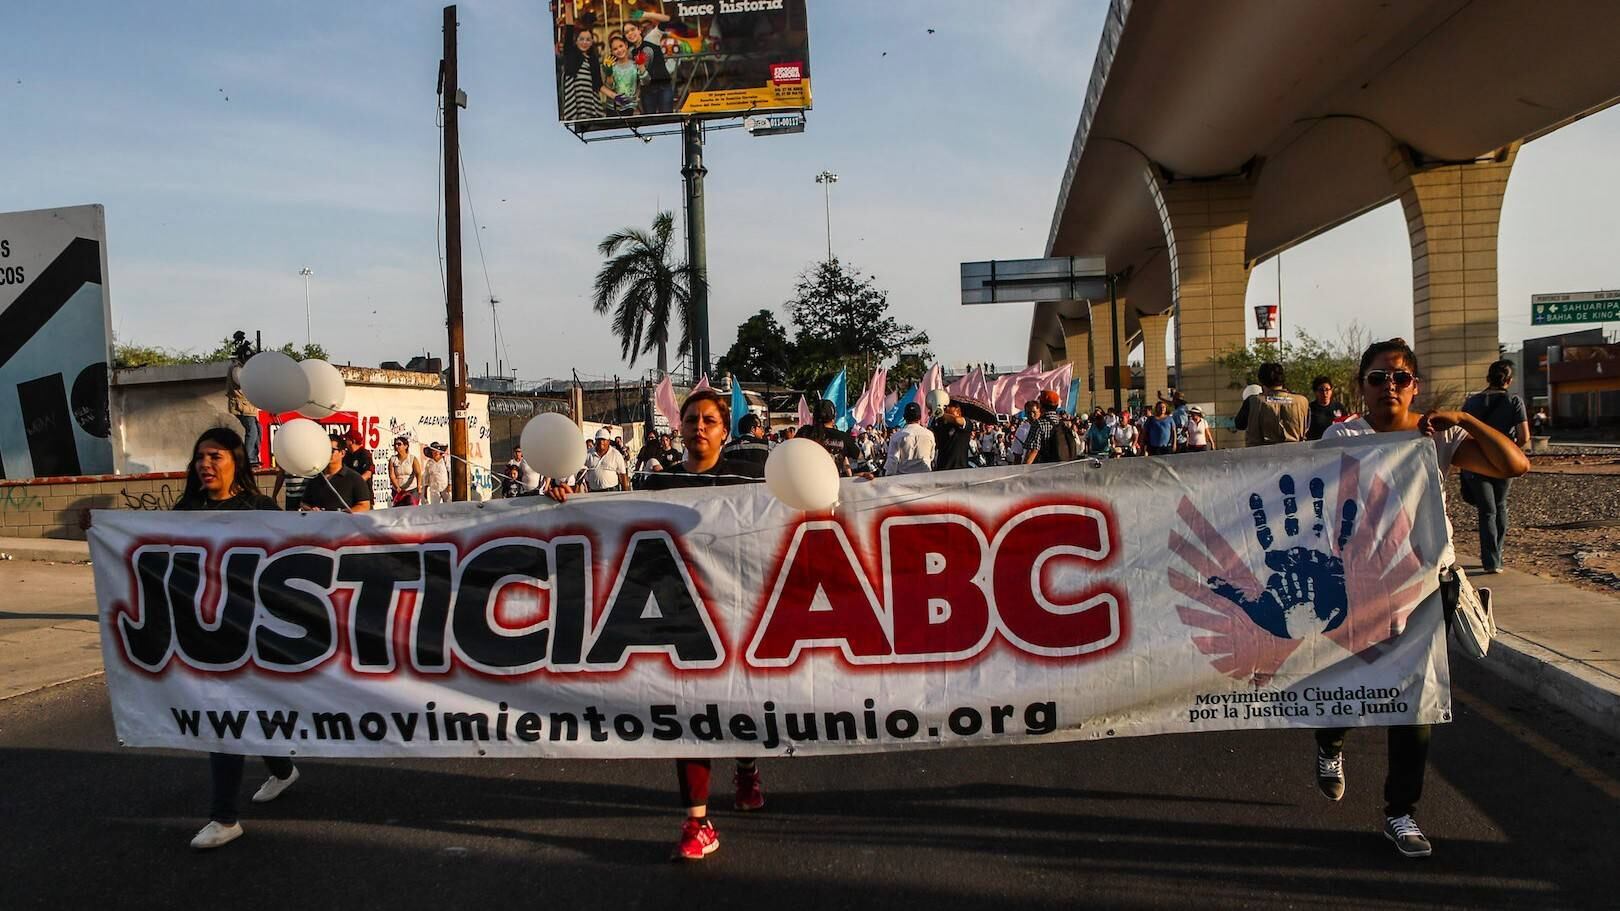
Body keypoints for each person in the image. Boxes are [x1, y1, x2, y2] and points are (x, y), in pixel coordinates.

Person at [1318, 338, 1528, 858]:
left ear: (1415, 385)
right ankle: (1330, 740)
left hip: (1426, 586)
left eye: (1400, 377)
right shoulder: (1341, 435)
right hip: (1360, 586)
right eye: (1377, 377)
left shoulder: (1438, 435)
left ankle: (1401, 812)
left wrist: (1465, 419)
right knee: (1356, 681)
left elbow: (1513, 465)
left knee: (1415, 702)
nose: (1389, 386)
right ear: (1360, 386)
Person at [547, 389, 765, 861]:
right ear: (679, 428)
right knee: (692, 711)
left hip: (740, 607)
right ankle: (697, 822)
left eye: (709, 420)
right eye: (692, 419)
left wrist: (857, 491)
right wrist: (568, 497)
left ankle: (746, 769)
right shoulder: (660, 483)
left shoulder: (748, 479)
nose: (700, 427)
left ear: (725, 431)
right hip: (682, 617)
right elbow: (612, 511)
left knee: (743, 701)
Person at [173, 427, 300, 850]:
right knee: (230, 711)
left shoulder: (260, 508)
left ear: (236, 463)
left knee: (231, 712)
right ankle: (282, 772)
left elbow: (296, 557)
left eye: (216, 456)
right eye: (200, 457)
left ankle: (224, 818)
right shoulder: (184, 510)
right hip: (206, 632)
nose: (205, 465)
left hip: (256, 630)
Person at [1460, 359, 1531, 574]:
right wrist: (1507, 452)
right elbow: (1524, 436)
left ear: (1488, 379)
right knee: (1500, 507)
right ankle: (1496, 557)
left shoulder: (1471, 403)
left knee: (1487, 512)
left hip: (1476, 466)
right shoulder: (1514, 402)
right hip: (1502, 466)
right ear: (1509, 380)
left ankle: (1490, 560)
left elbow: (1461, 436)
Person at [556, 5, 607, 121]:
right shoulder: (571, 52)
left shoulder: (593, 60)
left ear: (592, 42)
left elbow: (599, 85)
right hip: (575, 100)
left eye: (588, 39)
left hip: (590, 101)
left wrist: (617, 97)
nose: (585, 42)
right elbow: (569, 28)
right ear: (576, 40)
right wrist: (568, 6)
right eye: (582, 39)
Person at [1240, 362, 1310, 446]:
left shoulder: (1253, 401)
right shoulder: (1302, 401)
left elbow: (1239, 424)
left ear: (1261, 381)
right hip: (1296, 455)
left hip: (1260, 456)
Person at [300, 435, 374, 512]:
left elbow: (364, 505)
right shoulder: (315, 477)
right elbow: (304, 503)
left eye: (331, 450)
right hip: (319, 522)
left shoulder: (354, 478)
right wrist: (310, 510)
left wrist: (347, 513)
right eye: (324, 450)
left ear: (342, 453)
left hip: (344, 522)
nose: (327, 453)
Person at [797, 399, 860, 477]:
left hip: (804, 485)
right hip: (833, 486)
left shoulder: (804, 432)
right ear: (833, 417)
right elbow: (859, 457)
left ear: (814, 416)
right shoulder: (843, 437)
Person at [623, 19, 674, 115]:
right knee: (651, 121)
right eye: (627, 32)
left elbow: (666, 19)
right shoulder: (630, 52)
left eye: (632, 29)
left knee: (667, 118)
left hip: (663, 85)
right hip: (647, 90)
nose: (630, 33)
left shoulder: (651, 38)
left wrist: (646, 15)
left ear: (639, 30)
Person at [224, 337, 261, 468]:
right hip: (242, 406)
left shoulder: (241, 368)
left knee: (257, 430)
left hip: (248, 406)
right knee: (252, 431)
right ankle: (248, 457)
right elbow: (242, 382)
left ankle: (253, 456)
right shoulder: (236, 369)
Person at [885, 401, 935, 475]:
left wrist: (887, 478)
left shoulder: (896, 436)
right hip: (925, 478)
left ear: (904, 417)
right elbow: (931, 456)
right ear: (920, 417)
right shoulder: (929, 434)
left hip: (904, 479)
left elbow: (893, 460)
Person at [604, 34, 645, 116]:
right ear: (611, 51)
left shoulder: (634, 65)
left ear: (626, 45)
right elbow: (610, 87)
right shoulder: (611, 66)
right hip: (613, 107)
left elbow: (644, 82)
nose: (619, 50)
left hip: (630, 106)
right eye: (615, 49)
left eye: (621, 46)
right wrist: (609, 73)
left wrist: (642, 67)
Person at [933, 401, 973, 470]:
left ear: (957, 410)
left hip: (959, 468)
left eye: (949, 406)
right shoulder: (942, 425)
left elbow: (956, 420)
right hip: (942, 468)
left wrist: (940, 413)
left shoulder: (967, 422)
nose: (946, 408)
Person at [1307, 375, 1349, 440]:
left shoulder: (1339, 407)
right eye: (1321, 390)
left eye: (1327, 390)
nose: (1325, 393)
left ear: (1331, 390)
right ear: (1315, 392)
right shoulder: (1310, 409)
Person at [387, 436, 423, 506]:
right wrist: (397, 487)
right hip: (398, 489)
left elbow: (418, 473)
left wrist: (419, 486)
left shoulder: (412, 458)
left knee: (412, 508)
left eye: (399, 444)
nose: (396, 446)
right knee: (398, 509)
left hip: (412, 489)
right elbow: (392, 475)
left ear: (406, 446)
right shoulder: (393, 459)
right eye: (395, 445)